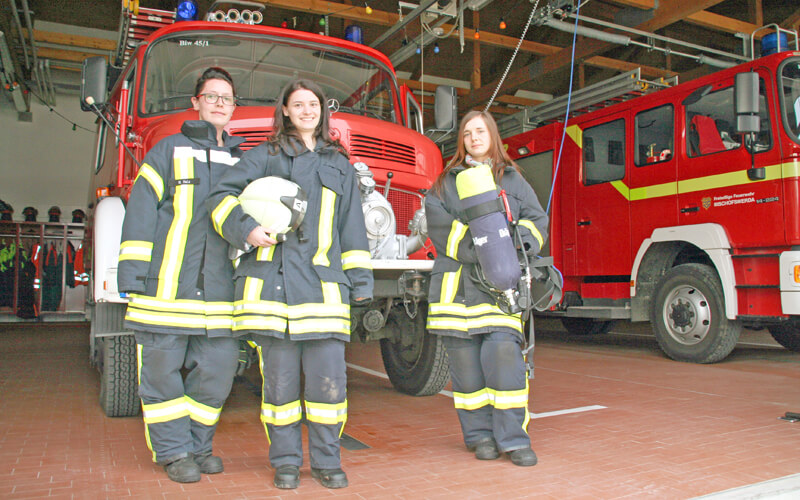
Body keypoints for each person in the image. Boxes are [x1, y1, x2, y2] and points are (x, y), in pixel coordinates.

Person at [206, 79, 373, 490]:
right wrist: (246, 230)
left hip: (323, 292)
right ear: (284, 110)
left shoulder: (339, 164)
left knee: (329, 388)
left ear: (322, 110)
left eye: (312, 103)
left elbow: (352, 230)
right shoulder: (266, 154)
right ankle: (284, 462)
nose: (305, 110)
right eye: (297, 104)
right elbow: (219, 196)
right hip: (273, 293)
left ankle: (327, 462)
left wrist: (362, 283)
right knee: (278, 388)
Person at [117, 67, 244, 483]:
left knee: (218, 374)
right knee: (161, 375)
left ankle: (199, 446)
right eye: (212, 96)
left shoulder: (245, 163)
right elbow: (139, 215)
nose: (219, 104)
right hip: (165, 290)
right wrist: (133, 277)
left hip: (222, 295)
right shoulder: (166, 152)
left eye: (227, 98)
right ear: (196, 103)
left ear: (233, 107)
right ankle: (174, 452)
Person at [425, 110, 548, 467]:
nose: (474, 138)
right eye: (467, 133)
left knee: (504, 357)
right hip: (456, 289)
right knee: (466, 372)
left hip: (499, 290)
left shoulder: (512, 179)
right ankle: (479, 436)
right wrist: (483, 246)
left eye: (480, 131)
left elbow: (536, 219)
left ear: (493, 136)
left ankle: (513, 439)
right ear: (461, 141)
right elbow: (439, 227)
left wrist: (515, 245)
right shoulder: (445, 183)